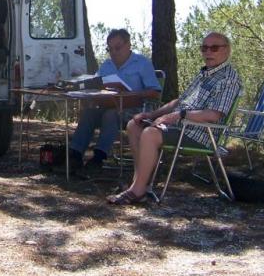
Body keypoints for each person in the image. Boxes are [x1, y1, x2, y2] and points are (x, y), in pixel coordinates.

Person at [107, 31, 242, 204]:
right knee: (135, 125)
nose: (208, 52)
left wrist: (179, 115)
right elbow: (179, 101)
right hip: (180, 126)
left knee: (150, 134)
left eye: (214, 48)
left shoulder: (228, 79)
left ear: (227, 50)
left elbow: (213, 115)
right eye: (204, 48)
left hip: (198, 133)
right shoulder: (205, 74)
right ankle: (139, 182)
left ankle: (138, 191)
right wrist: (152, 115)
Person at [69, 29, 162, 173]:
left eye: (117, 48)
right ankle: (75, 155)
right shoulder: (107, 65)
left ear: (128, 45)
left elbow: (155, 92)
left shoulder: (142, 63)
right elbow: (96, 83)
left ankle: (99, 158)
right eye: (110, 49)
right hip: (109, 104)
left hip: (136, 109)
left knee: (111, 115)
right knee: (89, 113)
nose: (113, 52)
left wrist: (130, 94)